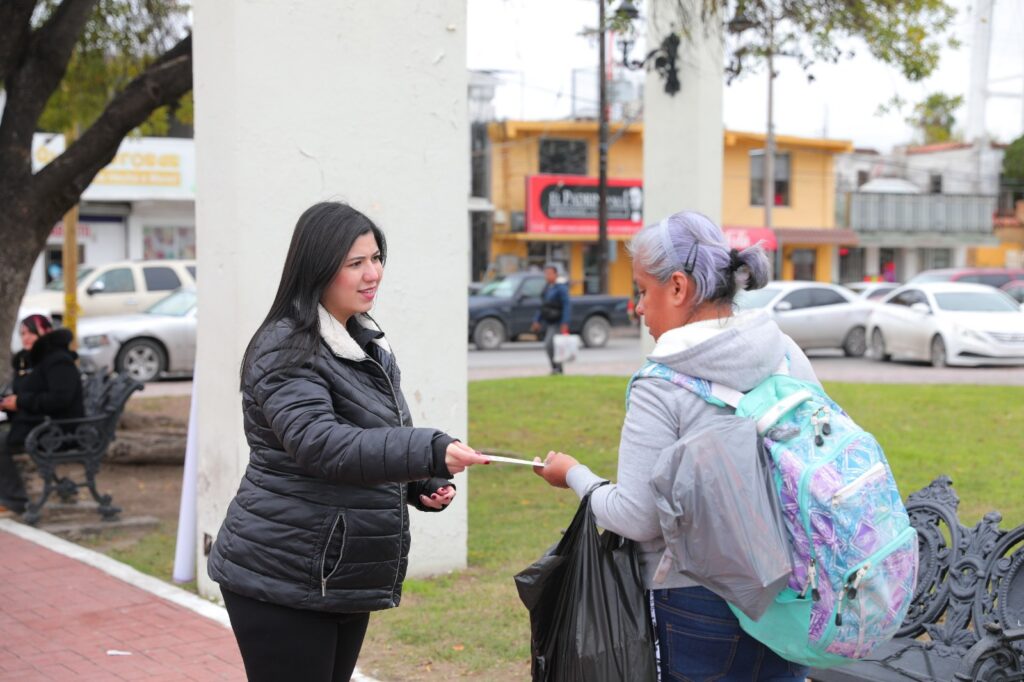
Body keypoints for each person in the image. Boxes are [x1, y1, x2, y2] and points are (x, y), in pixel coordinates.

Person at [207, 202, 490, 682]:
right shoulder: (286, 345)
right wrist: (426, 448)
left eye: (376, 258)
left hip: (335, 570)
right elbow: (322, 445)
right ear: (318, 268)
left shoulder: (362, 342)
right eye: (355, 263)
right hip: (282, 572)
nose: (372, 273)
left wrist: (421, 481)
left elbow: (378, 438)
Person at [534, 211, 817, 681]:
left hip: (699, 604)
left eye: (643, 290)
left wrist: (575, 476)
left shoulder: (663, 382)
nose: (639, 308)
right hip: (790, 596)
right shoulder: (784, 352)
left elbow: (636, 517)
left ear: (680, 288)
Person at [0, 314, 85, 514]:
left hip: (58, 430)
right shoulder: (30, 362)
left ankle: (14, 499)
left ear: (46, 332)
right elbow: (29, 394)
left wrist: (20, 402)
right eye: (22, 333)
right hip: (37, 424)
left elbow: (59, 400)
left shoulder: (58, 361)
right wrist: (8, 403)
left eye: (31, 332)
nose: (26, 338)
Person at [530, 263, 571, 375]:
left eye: (549, 273)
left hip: (558, 322)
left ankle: (558, 368)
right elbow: (543, 306)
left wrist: (565, 322)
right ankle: (556, 368)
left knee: (549, 344)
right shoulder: (547, 288)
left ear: (555, 274)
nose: (547, 276)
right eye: (546, 274)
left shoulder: (561, 287)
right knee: (551, 345)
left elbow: (566, 305)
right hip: (549, 321)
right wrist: (536, 320)